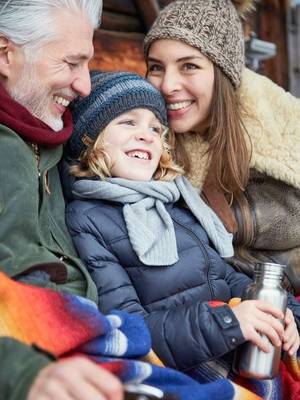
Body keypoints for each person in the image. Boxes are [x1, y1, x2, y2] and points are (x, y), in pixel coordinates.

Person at [63, 70, 300, 380]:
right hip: (190, 367)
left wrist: (281, 313)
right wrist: (228, 322)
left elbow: (224, 277)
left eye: (156, 128)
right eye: (128, 122)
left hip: (230, 347)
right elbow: (130, 328)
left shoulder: (175, 202)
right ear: (89, 139)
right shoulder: (88, 219)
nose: (146, 134)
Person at [0, 1, 126, 399]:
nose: (85, 85)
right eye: (71, 63)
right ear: (5, 55)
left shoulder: (55, 140)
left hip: (92, 351)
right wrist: (25, 375)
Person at [143, 0, 300, 295]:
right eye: (156, 67)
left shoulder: (283, 135)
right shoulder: (142, 142)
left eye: (189, 66)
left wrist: (232, 219)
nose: (167, 85)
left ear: (223, 72)